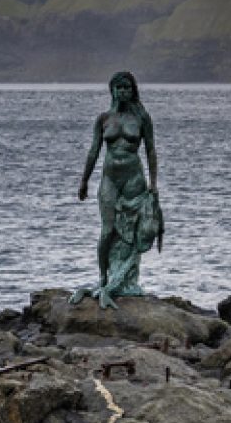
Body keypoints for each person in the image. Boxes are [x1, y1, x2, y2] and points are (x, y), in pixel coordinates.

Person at [70, 71, 163, 309]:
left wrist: (153, 183)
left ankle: (126, 280)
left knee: (131, 234)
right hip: (110, 179)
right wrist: (84, 181)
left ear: (133, 91)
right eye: (119, 88)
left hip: (134, 178)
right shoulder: (103, 119)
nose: (123, 92)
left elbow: (151, 151)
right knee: (107, 230)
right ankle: (104, 277)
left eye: (127, 88)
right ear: (112, 90)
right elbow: (93, 151)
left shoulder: (141, 119)